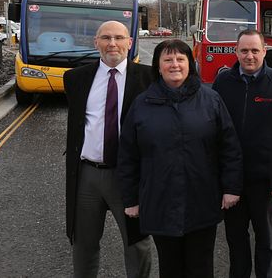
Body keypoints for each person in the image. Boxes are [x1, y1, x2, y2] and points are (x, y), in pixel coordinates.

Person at [118, 39, 243, 277]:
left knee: (201, 267)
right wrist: (130, 199)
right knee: (170, 267)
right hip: (160, 202)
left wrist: (231, 188)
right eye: (168, 59)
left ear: (190, 64)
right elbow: (128, 155)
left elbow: (229, 147)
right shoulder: (142, 104)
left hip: (202, 200)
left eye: (180, 59)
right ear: (158, 66)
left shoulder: (211, 100)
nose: (174, 64)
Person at [63, 20, 153, 278]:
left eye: (118, 37)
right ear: (96, 43)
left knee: (137, 243)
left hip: (128, 175)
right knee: (83, 243)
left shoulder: (149, 78)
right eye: (105, 38)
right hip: (87, 175)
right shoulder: (76, 79)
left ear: (129, 43)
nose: (112, 43)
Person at [213, 30, 272, 278]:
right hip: (231, 180)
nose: (249, 56)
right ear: (236, 52)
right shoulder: (222, 82)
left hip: (263, 182)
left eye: (255, 50)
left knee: (267, 241)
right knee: (236, 241)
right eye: (244, 50)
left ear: (265, 51)